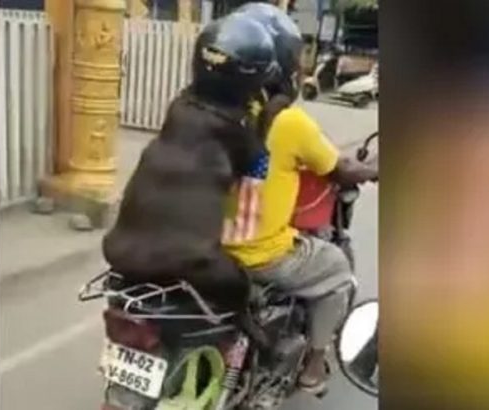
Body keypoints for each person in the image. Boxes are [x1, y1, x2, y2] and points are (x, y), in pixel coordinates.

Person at [222, 3, 379, 392]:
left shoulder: (214, 110)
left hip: (203, 241)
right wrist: (375, 166)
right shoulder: (290, 122)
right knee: (338, 272)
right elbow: (340, 169)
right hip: (258, 252)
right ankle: (314, 364)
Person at [103, 13, 279, 312]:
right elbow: (256, 168)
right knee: (244, 289)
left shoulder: (179, 108)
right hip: (189, 262)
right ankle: (255, 338)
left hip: (120, 252)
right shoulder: (238, 132)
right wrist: (270, 113)